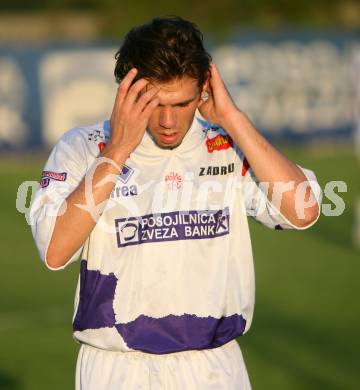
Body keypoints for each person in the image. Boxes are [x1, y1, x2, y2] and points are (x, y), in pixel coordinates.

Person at [30, 16, 321, 390]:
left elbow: (305, 211)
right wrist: (117, 150)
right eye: (156, 103)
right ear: (128, 90)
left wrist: (233, 119)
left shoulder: (225, 146)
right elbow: (54, 251)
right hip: (117, 369)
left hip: (214, 368)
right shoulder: (83, 148)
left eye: (182, 103)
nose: (169, 120)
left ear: (203, 91)